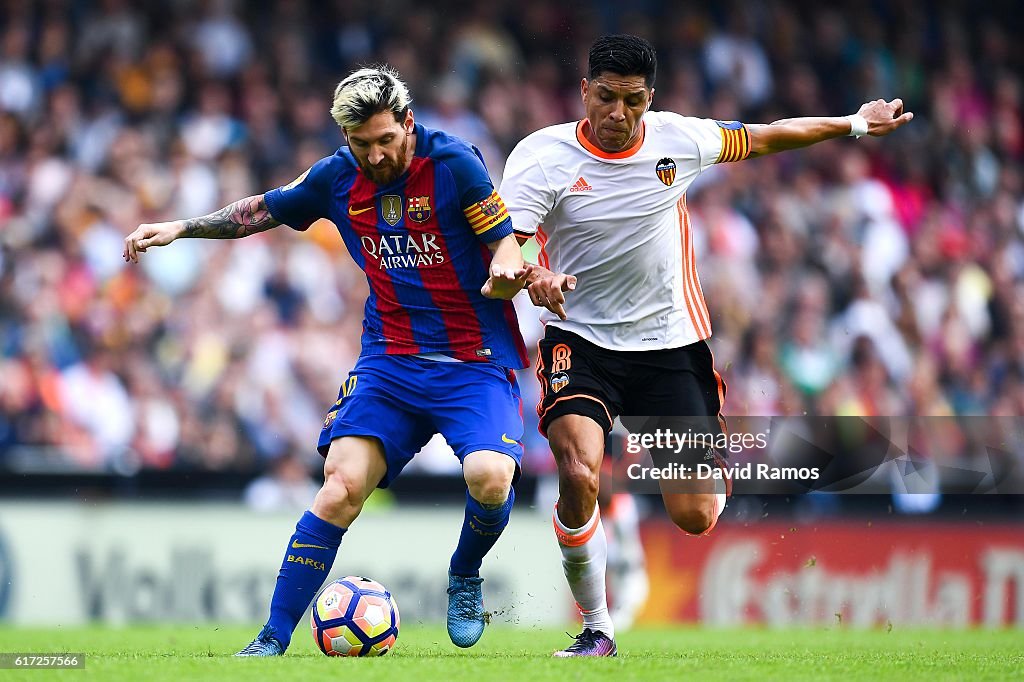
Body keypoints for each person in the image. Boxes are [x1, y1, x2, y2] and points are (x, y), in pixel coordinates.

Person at [499, 34, 913, 656]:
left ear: (650, 99)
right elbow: (513, 248)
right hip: (579, 338)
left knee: (695, 516)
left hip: (670, 344)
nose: (618, 114)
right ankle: (597, 629)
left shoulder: (678, 140)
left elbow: (769, 134)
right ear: (584, 92)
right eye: (606, 98)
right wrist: (538, 276)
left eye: (633, 101)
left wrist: (856, 123)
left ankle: (702, 468)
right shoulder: (542, 157)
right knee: (579, 468)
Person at [124, 65, 532, 655]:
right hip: (390, 363)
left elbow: (504, 242)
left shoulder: (454, 165)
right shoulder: (337, 178)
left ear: (408, 124)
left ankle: (464, 573)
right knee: (339, 487)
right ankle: (271, 638)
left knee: (491, 479)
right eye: (361, 144)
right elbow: (260, 211)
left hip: (472, 361)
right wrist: (180, 228)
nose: (376, 155)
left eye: (386, 140)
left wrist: (504, 264)